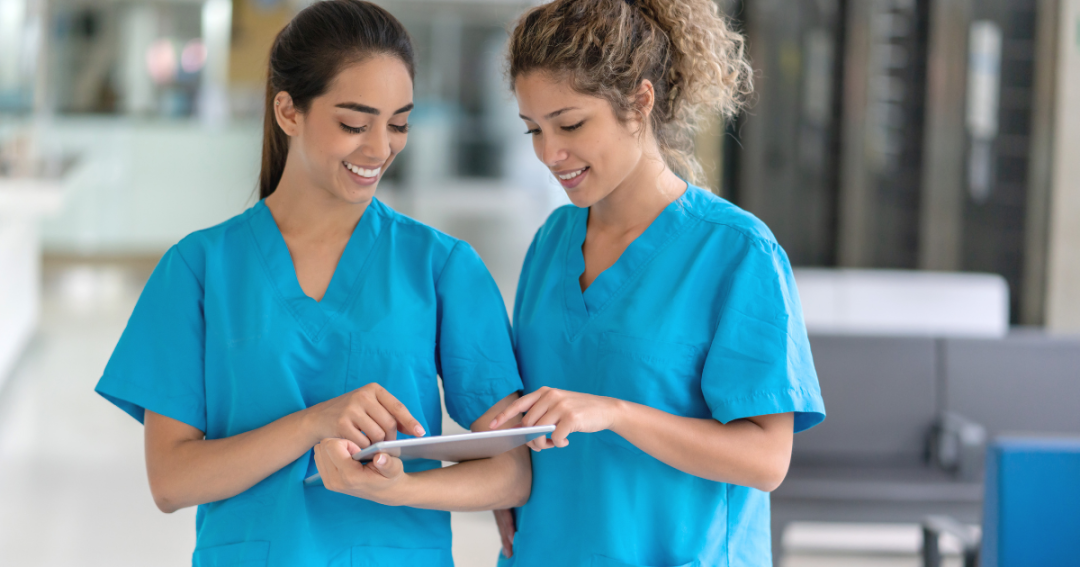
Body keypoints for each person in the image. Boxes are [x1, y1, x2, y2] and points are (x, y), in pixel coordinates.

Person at [94, 2, 530, 565]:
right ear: (288, 111)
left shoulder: (443, 267)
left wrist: (400, 488)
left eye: (398, 124)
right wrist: (313, 423)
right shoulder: (199, 269)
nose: (379, 149)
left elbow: (512, 472)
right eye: (354, 123)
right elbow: (171, 481)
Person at [488, 0, 826, 565]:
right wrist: (503, 468)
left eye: (570, 124)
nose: (550, 153)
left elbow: (767, 459)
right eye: (534, 129)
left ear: (639, 102)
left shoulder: (735, 251)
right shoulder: (552, 240)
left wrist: (614, 413)